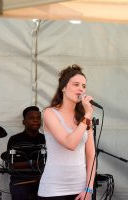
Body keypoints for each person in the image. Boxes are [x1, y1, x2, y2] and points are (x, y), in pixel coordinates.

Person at [38, 64, 96, 200]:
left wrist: (89, 188)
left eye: (84, 86)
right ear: (63, 87)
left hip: (80, 190)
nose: (81, 89)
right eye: (76, 84)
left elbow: (91, 155)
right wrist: (87, 115)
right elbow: (70, 144)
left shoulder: (84, 118)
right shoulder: (49, 113)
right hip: (53, 190)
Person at [7, 106, 45, 200]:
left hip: (42, 179)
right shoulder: (14, 139)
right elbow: (11, 165)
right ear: (23, 122)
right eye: (31, 118)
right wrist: (34, 163)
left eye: (38, 118)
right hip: (20, 180)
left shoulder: (46, 139)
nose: (36, 120)